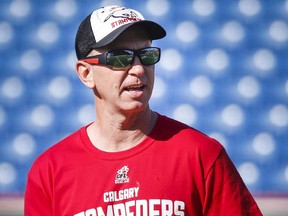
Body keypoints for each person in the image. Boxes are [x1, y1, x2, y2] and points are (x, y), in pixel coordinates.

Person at [24, 5, 262, 216]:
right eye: (120, 57)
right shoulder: (50, 171)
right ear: (86, 74)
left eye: (146, 55)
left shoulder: (202, 155)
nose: (138, 69)